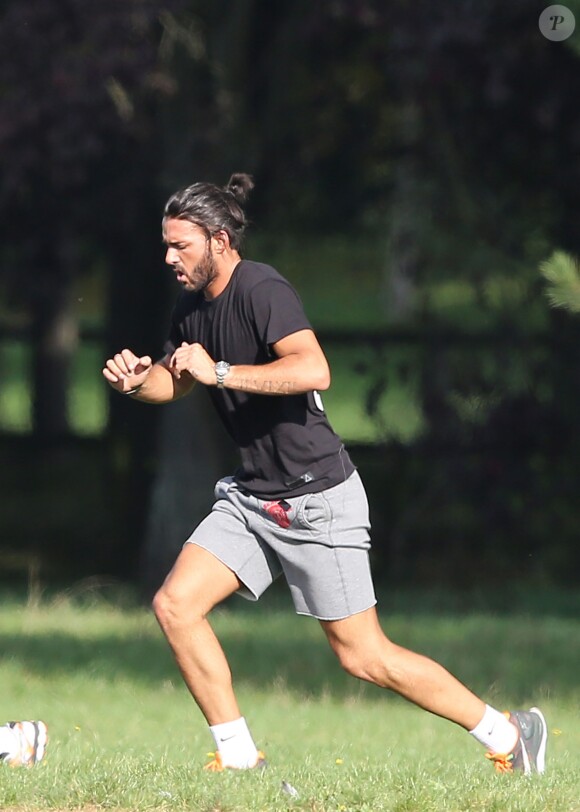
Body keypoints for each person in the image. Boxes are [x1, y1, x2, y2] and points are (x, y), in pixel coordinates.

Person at [102, 172, 547, 775]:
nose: (169, 256)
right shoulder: (191, 309)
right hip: (252, 497)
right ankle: (239, 758)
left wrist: (225, 373)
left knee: (364, 657)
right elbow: (176, 380)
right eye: (165, 244)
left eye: (181, 244)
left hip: (316, 498)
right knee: (176, 605)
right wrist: (138, 382)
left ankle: (509, 733)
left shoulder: (263, 289)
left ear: (220, 240)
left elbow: (313, 370)